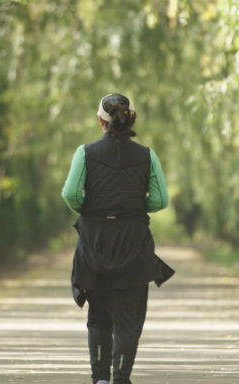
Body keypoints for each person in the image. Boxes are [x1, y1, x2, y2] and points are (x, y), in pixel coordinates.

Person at [61, 93, 175, 384]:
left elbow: (70, 194)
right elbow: (161, 200)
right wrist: (134, 208)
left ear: (101, 121)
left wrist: (91, 210)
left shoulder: (84, 152)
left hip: (94, 244)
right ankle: (120, 377)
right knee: (128, 321)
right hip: (133, 245)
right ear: (130, 118)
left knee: (99, 317)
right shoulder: (147, 155)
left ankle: (100, 379)